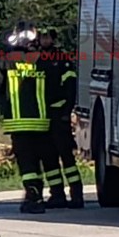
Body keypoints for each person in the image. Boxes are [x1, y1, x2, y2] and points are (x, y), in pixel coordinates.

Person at [0, 21, 50, 214]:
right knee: (39, 160)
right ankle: (40, 195)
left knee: (27, 164)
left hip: (19, 122)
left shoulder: (7, 60)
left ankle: (32, 198)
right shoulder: (42, 59)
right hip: (42, 122)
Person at [36, 26, 85, 210]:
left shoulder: (62, 60)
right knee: (48, 157)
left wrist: (67, 112)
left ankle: (77, 195)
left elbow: (71, 87)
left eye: (47, 37)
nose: (44, 40)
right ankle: (57, 195)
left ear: (53, 39)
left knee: (67, 157)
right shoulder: (38, 60)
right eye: (42, 37)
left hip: (59, 115)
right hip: (44, 116)